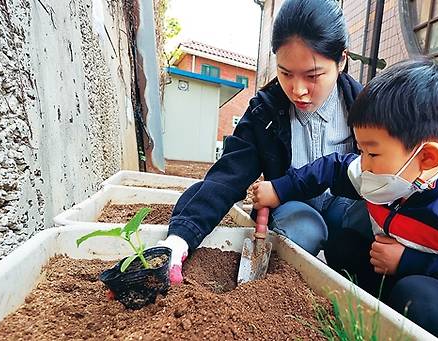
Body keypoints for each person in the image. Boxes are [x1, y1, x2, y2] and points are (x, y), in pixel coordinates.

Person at [251, 59, 438, 341]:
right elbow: (334, 167)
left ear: (427, 156)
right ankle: (377, 319)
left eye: (372, 153)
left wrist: (412, 262)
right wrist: (280, 189)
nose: (362, 164)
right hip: (397, 276)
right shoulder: (382, 171)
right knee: (343, 246)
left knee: (418, 298)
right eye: (361, 150)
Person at [158, 0, 372, 285]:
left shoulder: (367, 108)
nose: (298, 90)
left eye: (313, 76)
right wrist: (181, 236)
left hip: (345, 206)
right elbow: (228, 175)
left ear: (341, 60)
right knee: (301, 229)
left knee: (366, 224)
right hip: (294, 206)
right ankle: (288, 290)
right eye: (285, 73)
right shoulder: (266, 112)